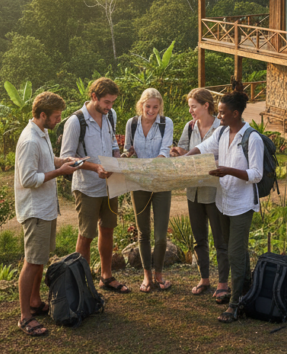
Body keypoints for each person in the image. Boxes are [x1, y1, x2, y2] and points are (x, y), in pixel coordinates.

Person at [185, 87, 262, 323]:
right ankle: (248, 293)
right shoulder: (221, 133)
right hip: (223, 202)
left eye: (222, 113)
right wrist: (187, 155)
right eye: (218, 113)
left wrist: (228, 170)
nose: (219, 117)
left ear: (236, 113)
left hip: (242, 205)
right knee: (231, 250)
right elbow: (206, 147)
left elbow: (256, 174)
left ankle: (235, 304)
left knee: (236, 252)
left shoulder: (252, 138)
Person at [15, 92, 79, 337]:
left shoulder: (41, 134)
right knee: (31, 262)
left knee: (40, 259)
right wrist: (60, 171)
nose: (58, 120)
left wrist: (64, 160)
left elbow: (46, 161)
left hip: (45, 207)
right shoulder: (30, 139)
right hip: (35, 210)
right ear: (42, 115)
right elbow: (29, 179)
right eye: (55, 116)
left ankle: (34, 301)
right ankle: (25, 317)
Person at [59, 77, 129, 293]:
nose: (110, 107)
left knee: (108, 230)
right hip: (87, 187)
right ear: (94, 97)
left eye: (113, 102)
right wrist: (95, 168)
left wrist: (119, 156)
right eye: (107, 102)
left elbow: (111, 144)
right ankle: (83, 284)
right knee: (86, 235)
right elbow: (66, 158)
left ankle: (106, 277)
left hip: (109, 185)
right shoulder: (75, 121)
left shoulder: (111, 115)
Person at [170, 88, 229, 303]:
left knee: (220, 239)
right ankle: (205, 279)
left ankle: (223, 283)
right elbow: (186, 154)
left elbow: (225, 156)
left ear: (206, 105)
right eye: (189, 106)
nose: (190, 110)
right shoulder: (189, 127)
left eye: (193, 106)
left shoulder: (221, 128)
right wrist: (178, 152)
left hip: (215, 191)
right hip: (193, 190)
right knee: (199, 239)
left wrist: (191, 157)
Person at [125, 88, 175, 292]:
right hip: (138, 182)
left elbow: (165, 152)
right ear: (141, 105)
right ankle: (146, 276)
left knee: (160, 235)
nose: (151, 110)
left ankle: (159, 274)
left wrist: (149, 166)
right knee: (143, 231)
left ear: (159, 107)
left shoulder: (166, 123)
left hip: (161, 181)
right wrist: (124, 157)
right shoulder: (132, 123)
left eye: (155, 107)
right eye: (148, 106)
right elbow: (129, 149)